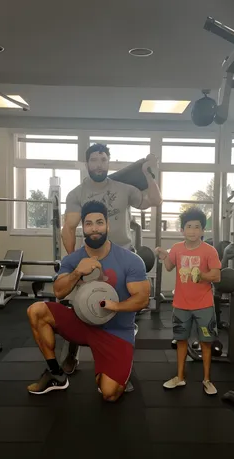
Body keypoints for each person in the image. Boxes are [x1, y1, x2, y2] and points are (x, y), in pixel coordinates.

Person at [26, 200, 151, 401]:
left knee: (109, 394)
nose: (95, 228)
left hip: (116, 331)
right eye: (89, 223)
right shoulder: (72, 260)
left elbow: (142, 299)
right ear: (82, 228)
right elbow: (58, 292)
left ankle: (114, 371)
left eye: (100, 222)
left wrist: (116, 306)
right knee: (36, 310)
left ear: (108, 225)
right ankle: (55, 374)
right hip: (81, 324)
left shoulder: (130, 260)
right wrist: (77, 273)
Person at [60, 143, 162, 382]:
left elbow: (154, 201)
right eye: (94, 160)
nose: (99, 164)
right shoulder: (76, 194)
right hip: (91, 257)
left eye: (103, 159)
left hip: (123, 256)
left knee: (122, 311)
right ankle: (72, 353)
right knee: (79, 307)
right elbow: (69, 228)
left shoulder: (125, 189)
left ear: (108, 162)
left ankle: (119, 363)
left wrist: (148, 173)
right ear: (87, 164)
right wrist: (73, 262)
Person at [155, 207, 221, 395]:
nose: (193, 231)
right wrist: (163, 255)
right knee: (181, 340)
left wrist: (202, 275)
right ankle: (179, 377)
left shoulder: (209, 251)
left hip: (204, 304)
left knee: (206, 342)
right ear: (182, 229)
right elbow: (169, 267)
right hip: (181, 304)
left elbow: (216, 276)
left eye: (197, 227)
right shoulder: (177, 249)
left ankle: (207, 380)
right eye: (189, 227)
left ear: (202, 230)